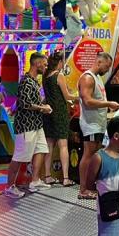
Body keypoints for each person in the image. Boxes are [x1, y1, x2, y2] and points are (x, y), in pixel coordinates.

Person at [3, 53, 53, 199]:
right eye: (44, 64)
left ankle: (35, 181)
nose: (46, 67)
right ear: (37, 64)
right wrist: (43, 108)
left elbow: (24, 101)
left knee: (41, 149)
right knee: (20, 157)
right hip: (26, 126)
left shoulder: (34, 82)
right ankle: (9, 186)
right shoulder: (26, 81)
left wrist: (42, 106)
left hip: (36, 124)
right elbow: (25, 104)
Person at [77, 52, 119, 200]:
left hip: (99, 123)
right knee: (88, 154)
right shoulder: (88, 78)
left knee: (95, 155)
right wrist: (108, 103)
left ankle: (90, 186)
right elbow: (88, 101)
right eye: (106, 67)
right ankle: (83, 189)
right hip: (91, 124)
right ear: (99, 62)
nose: (107, 70)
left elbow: (97, 100)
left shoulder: (97, 78)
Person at [42, 51, 77, 186]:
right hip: (60, 113)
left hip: (48, 113)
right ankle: (66, 178)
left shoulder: (46, 76)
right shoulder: (59, 75)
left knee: (49, 145)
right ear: (60, 62)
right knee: (63, 145)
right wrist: (80, 97)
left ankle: (47, 176)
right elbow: (67, 96)